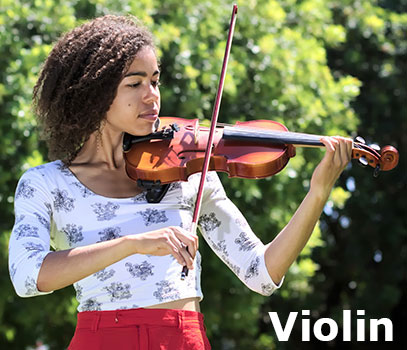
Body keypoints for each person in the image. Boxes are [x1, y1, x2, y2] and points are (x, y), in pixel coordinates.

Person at [8, 15, 352, 350]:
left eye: (155, 81)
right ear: (94, 93)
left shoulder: (187, 174)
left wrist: (318, 193)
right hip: (102, 339)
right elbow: (28, 275)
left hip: (183, 339)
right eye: (135, 83)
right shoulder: (46, 183)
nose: (152, 96)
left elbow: (261, 273)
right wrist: (134, 243)